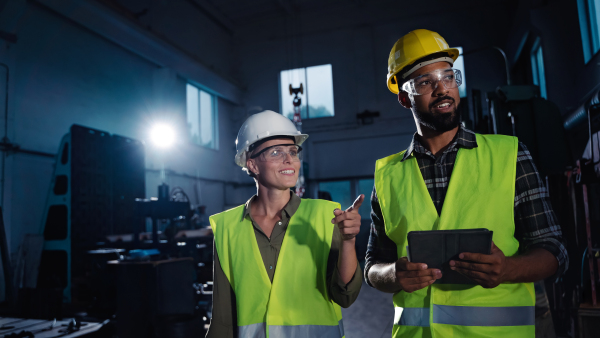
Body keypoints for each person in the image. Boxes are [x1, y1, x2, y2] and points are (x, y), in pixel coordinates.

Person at [365, 29, 568, 337]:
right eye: (425, 82)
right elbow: (372, 266)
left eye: (447, 77)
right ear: (405, 98)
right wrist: (393, 274)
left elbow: (555, 251)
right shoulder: (388, 175)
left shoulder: (509, 155)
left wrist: (508, 269)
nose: (442, 89)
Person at [207, 110, 363, 338]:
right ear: (253, 165)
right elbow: (222, 320)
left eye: (293, 151)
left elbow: (345, 296)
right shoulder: (226, 227)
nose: (289, 160)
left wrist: (348, 242)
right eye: (276, 152)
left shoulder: (326, 215)